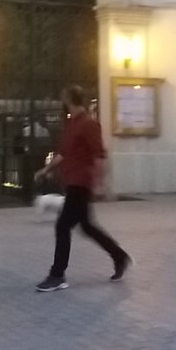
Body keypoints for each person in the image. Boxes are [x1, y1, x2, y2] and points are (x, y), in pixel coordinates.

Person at [34, 85, 132, 292]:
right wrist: (46, 170)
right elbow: (63, 154)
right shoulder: (72, 124)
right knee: (87, 226)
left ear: (69, 99)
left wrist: (101, 183)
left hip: (81, 183)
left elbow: (99, 155)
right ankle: (119, 256)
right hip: (73, 182)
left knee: (62, 226)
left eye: (64, 98)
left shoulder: (89, 124)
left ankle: (57, 275)